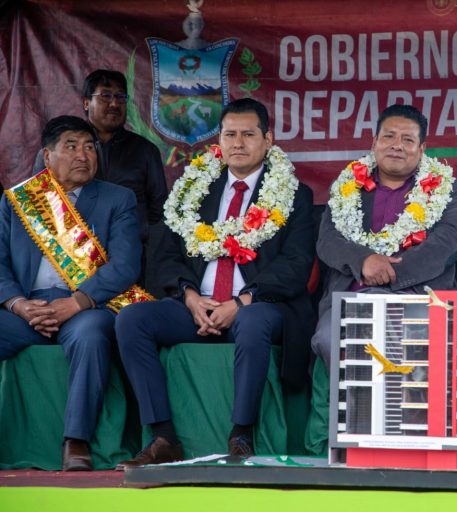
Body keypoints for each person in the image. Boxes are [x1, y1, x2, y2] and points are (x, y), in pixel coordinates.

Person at [115, 98, 315, 468]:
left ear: (268, 139)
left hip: (259, 307)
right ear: (218, 141)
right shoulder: (194, 190)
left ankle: (241, 435)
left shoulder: (294, 195)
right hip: (196, 306)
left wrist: (240, 303)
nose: (238, 143)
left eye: (248, 134)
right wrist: (190, 296)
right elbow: (163, 256)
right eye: (230, 134)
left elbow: (296, 265)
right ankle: (163, 437)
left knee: (253, 322)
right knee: (132, 320)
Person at [0, 115, 142, 471]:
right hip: (26, 309)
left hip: (85, 307)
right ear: (47, 157)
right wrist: (18, 304)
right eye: (71, 146)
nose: (83, 155)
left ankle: (75, 441)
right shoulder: (18, 201)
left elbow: (125, 267)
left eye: (89, 147)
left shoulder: (118, 199)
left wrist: (76, 302)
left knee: (93, 336)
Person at [311, 104, 457, 370]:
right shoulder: (348, 186)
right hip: (352, 294)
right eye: (389, 136)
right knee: (328, 339)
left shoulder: (446, 187)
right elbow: (327, 239)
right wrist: (364, 262)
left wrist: (390, 272)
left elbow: (449, 241)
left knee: (415, 349)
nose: (397, 145)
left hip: (416, 294)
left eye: (408, 139)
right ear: (374, 143)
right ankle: (354, 410)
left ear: (422, 149)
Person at [33, 70, 168, 296]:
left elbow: (159, 211)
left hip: (130, 258)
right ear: (86, 103)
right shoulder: (55, 153)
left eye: (120, 98)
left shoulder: (145, 151)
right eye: (105, 96)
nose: (114, 104)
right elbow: (40, 202)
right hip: (68, 261)